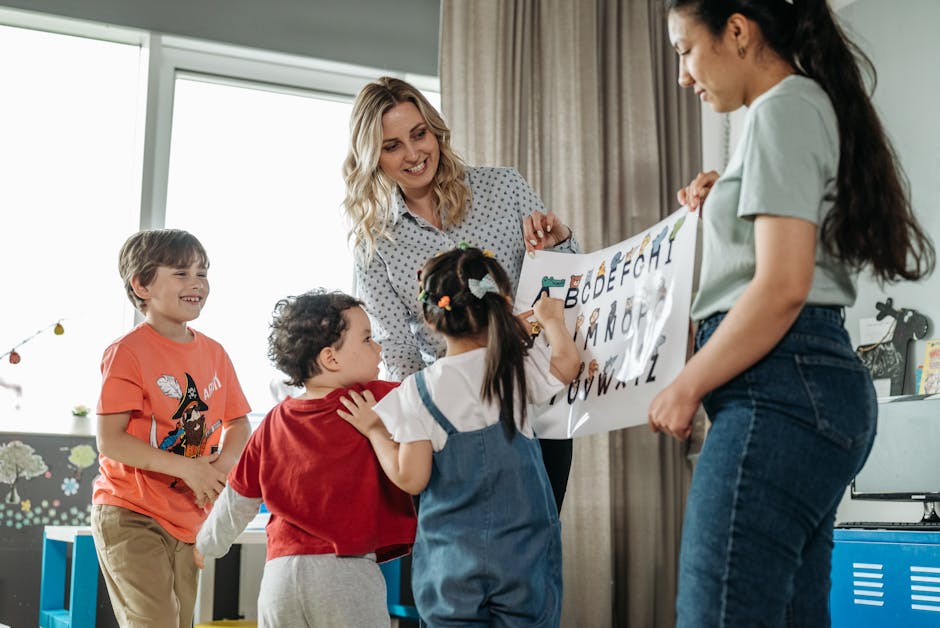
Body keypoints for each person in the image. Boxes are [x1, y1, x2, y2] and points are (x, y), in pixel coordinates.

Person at [647, 1, 936, 626]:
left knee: (716, 614)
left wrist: (687, 384)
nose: (683, 77)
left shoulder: (784, 107)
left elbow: (781, 286)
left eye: (684, 52)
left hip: (780, 387)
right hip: (800, 385)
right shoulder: (792, 110)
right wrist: (725, 195)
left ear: (738, 31)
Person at [343, 76, 579, 511]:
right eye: (392, 145)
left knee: (535, 544)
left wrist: (560, 242)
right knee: (462, 552)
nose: (414, 154)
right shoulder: (374, 244)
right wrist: (424, 419)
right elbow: (398, 351)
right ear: (372, 157)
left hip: (536, 402)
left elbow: (564, 284)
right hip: (452, 422)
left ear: (436, 131)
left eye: (419, 134)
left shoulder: (503, 188)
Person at [338, 245, 580, 627]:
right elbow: (568, 364)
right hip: (525, 556)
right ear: (501, 305)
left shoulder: (417, 390)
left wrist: (374, 430)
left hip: (452, 566)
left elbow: (411, 477)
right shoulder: (511, 367)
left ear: (431, 320)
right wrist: (553, 321)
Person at [194, 290, 417, 627]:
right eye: (368, 339)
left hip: (280, 576)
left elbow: (236, 499)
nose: (379, 348)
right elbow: (440, 394)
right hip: (346, 573)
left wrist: (207, 545)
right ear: (331, 358)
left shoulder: (272, 421)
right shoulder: (375, 399)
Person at [92, 229, 252, 628]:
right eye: (181, 273)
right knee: (156, 621)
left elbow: (239, 422)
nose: (197, 283)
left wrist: (223, 463)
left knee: (180, 622)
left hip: (188, 516)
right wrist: (187, 468)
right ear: (142, 284)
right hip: (131, 511)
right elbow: (110, 441)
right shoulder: (127, 351)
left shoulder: (215, 353)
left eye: (203, 272)